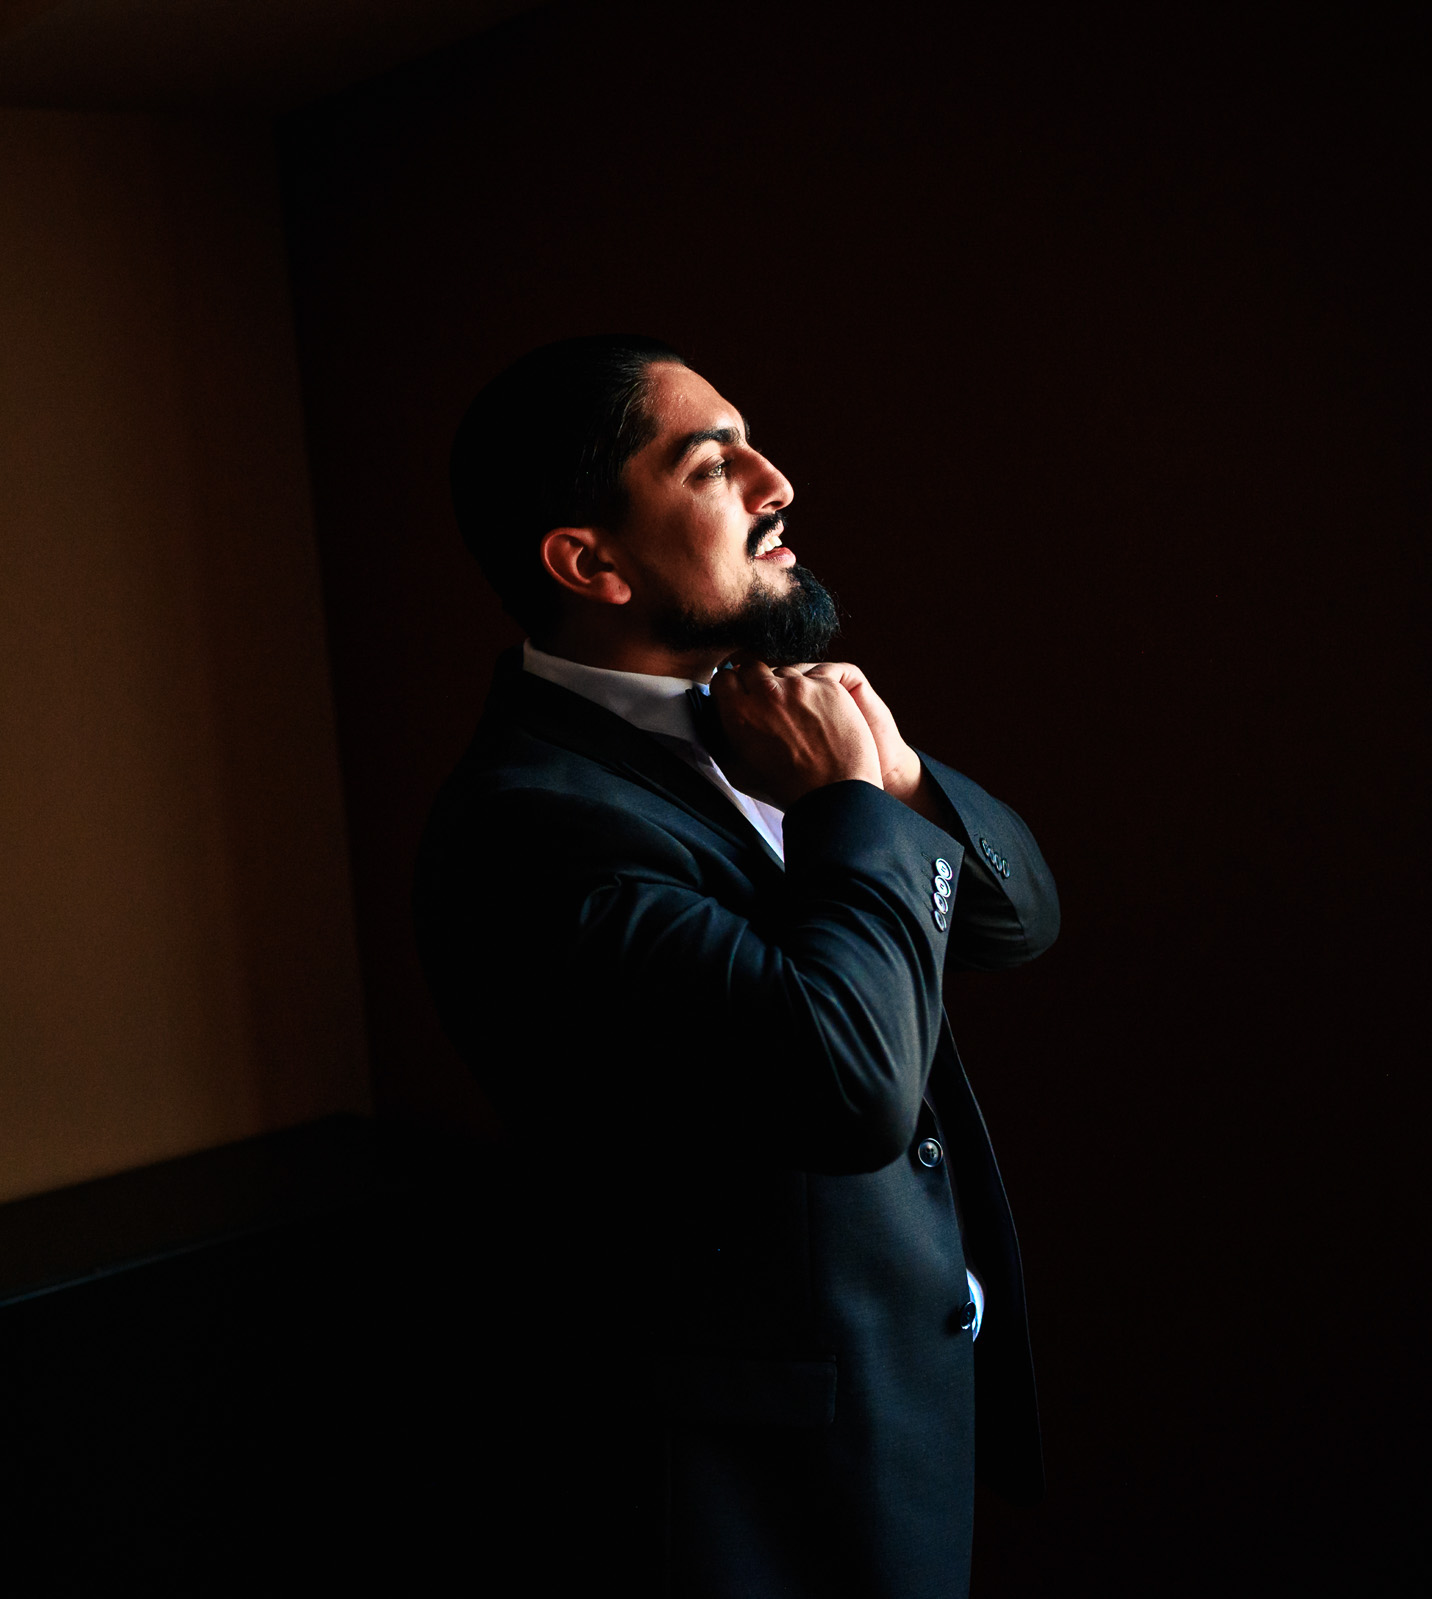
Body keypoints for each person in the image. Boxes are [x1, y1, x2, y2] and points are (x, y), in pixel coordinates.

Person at [414, 336, 1060, 1596]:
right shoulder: (530, 825)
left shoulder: (770, 718)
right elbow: (849, 1088)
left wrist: (898, 777)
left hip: (894, 1409)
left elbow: (1016, 919)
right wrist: (846, 800)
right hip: (734, 1499)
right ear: (588, 561)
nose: (778, 484)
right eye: (715, 465)